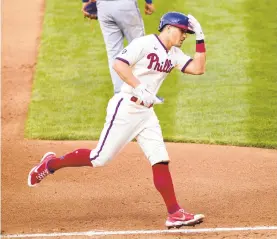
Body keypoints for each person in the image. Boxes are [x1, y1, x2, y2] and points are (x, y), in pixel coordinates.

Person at [28, 12, 206, 228]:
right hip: (126, 108)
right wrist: (140, 88)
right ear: (168, 27)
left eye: (186, 33)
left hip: (146, 114)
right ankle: (50, 164)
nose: (184, 35)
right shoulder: (145, 43)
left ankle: (174, 213)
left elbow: (198, 68)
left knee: (160, 159)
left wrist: (200, 37)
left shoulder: (174, 54)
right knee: (99, 158)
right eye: (182, 30)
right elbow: (119, 64)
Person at [81, 0, 155, 94]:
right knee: (139, 47)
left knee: (113, 52)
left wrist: (85, 1)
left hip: (104, 7)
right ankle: (144, 92)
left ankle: (120, 94)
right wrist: (149, 2)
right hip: (125, 5)